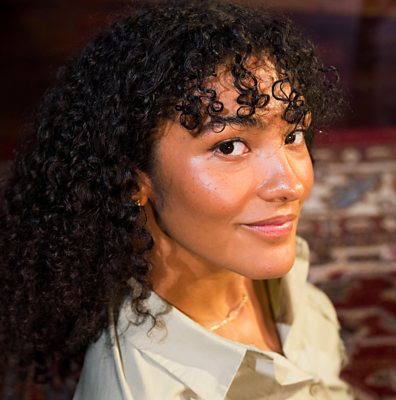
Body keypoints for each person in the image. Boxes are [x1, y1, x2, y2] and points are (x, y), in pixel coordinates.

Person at [0, 0, 354, 398]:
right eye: (230, 146)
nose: (290, 184)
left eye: (292, 136)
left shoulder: (246, 250)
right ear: (134, 179)